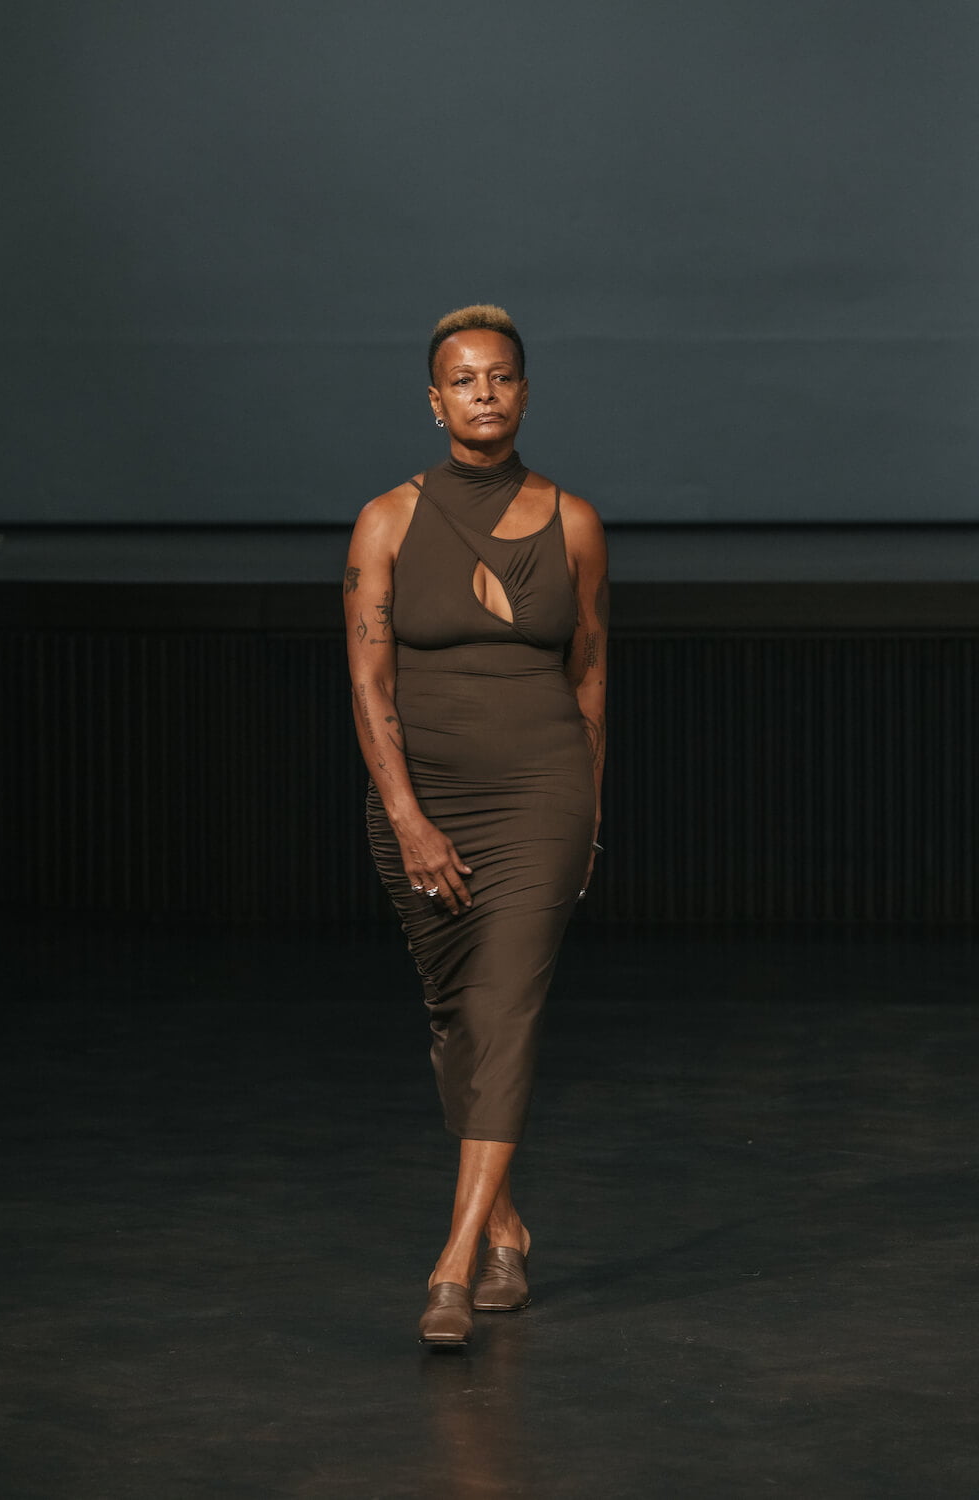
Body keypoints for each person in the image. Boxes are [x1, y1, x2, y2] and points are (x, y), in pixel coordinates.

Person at [343, 305, 608, 1347]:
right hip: (424, 801)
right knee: (457, 1016)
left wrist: (588, 817)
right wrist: (407, 818)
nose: (484, 394)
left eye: (500, 377)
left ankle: (452, 1267)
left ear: (525, 394)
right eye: (463, 380)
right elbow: (370, 687)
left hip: (542, 796)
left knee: (505, 1010)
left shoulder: (575, 523)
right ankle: (507, 1231)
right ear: (435, 400)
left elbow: (590, 678)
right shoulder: (385, 522)